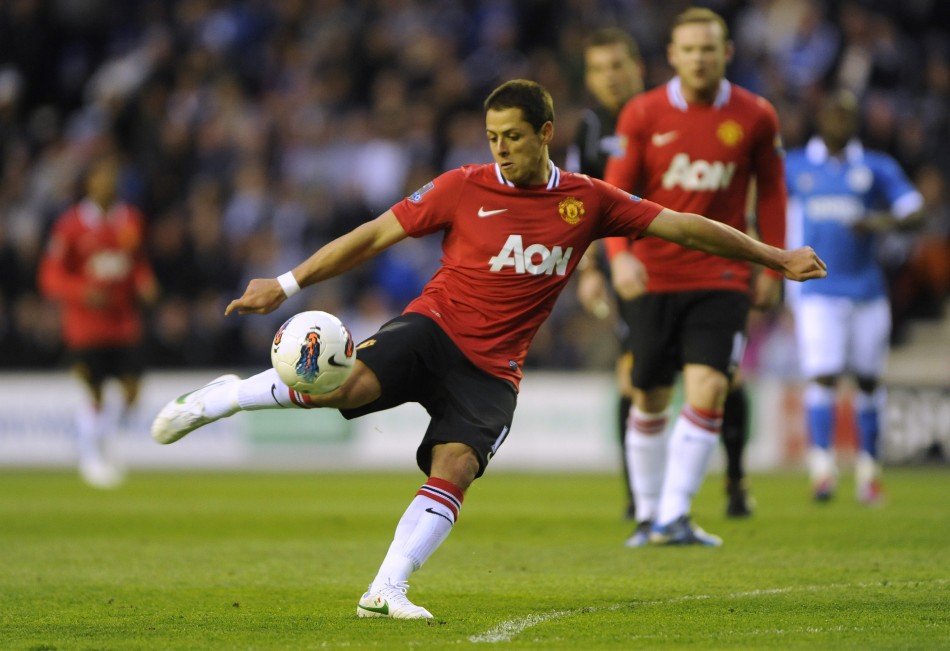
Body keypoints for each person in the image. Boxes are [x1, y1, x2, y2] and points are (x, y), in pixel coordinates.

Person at [150, 79, 826, 619]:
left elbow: (685, 226)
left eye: (512, 137)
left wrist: (774, 257)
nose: (500, 149)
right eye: (492, 137)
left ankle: (386, 587)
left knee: (457, 464)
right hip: (433, 329)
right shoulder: (460, 187)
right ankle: (221, 398)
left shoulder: (586, 201)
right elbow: (371, 235)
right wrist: (289, 281)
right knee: (341, 388)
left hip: (496, 368)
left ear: (545, 134)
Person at [601, 7, 789, 547]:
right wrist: (619, 257)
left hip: (722, 272)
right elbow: (615, 195)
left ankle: (674, 516)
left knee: (708, 389)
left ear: (727, 52)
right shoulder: (642, 113)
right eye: (690, 49)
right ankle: (648, 514)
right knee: (650, 396)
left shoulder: (756, 115)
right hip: (653, 273)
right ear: (673, 56)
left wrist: (771, 261)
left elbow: (772, 191)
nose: (700, 58)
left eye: (709, 48)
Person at [784, 88, 923, 504]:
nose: (839, 120)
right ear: (819, 118)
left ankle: (869, 472)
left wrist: (879, 221)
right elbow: (768, 210)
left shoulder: (875, 167)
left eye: (847, 114)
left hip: (867, 289)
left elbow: (915, 209)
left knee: (866, 380)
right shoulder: (794, 166)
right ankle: (822, 469)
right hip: (817, 291)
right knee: (823, 375)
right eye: (832, 113)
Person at [38, 152, 159, 488]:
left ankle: (97, 441)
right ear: (89, 183)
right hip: (86, 325)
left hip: (124, 321)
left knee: (132, 391)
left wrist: (144, 280)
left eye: (113, 177)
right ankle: (92, 454)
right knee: (95, 392)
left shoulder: (130, 220)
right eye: (102, 177)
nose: (108, 183)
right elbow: (50, 275)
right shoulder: (70, 225)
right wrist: (81, 291)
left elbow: (136, 262)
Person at [565, 27, 645, 522]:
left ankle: (735, 481)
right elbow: (581, 203)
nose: (609, 77)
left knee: (721, 377)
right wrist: (590, 267)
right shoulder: (591, 127)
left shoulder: (663, 115)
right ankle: (638, 493)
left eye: (616, 65)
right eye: (598, 69)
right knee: (633, 375)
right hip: (625, 264)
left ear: (637, 65)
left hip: (683, 258)